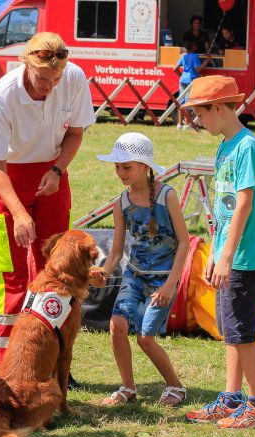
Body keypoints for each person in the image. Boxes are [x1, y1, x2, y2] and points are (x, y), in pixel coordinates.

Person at [0, 31, 95, 365]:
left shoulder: (72, 78)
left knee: (59, 271)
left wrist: (57, 170)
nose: (51, 86)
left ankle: (54, 359)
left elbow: (75, 133)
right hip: (5, 180)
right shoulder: (3, 95)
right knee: (11, 276)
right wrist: (18, 212)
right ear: (25, 64)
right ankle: (10, 364)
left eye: (56, 78)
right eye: (44, 78)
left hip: (50, 176)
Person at [182, 75, 255, 429]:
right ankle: (232, 398)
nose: (198, 121)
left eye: (200, 114)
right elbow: (224, 206)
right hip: (229, 255)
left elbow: (244, 204)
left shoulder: (247, 146)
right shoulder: (225, 146)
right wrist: (216, 251)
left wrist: (227, 255)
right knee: (230, 329)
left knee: (242, 332)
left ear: (218, 108)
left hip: (245, 258)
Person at [95, 132, 189, 406]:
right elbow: (116, 252)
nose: (120, 172)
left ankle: (176, 387)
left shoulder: (166, 196)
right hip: (134, 275)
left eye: (126, 166)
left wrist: (171, 284)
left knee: (146, 338)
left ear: (145, 167)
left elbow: (184, 243)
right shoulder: (120, 203)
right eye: (117, 167)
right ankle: (128, 388)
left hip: (163, 279)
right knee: (117, 326)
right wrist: (104, 270)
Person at [174, 39, 210, 129]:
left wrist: (181, 75)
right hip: (192, 80)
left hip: (182, 80)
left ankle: (179, 124)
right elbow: (197, 69)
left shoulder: (184, 56)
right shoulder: (195, 56)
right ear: (194, 47)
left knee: (181, 102)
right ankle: (186, 124)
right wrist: (207, 61)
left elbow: (175, 68)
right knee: (188, 102)